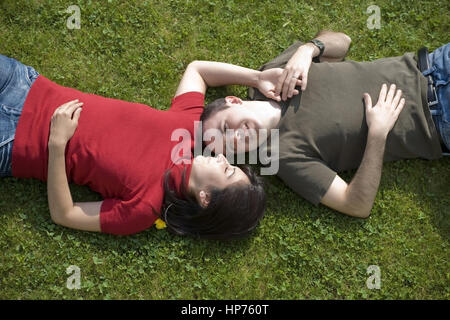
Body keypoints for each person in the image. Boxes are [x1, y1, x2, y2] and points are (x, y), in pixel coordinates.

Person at [0, 54, 281, 239]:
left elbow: (65, 214)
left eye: (228, 171)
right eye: (231, 164)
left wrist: (57, 144)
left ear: (206, 198)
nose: (222, 159)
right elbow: (198, 71)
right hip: (25, 84)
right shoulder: (191, 130)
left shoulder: (142, 210)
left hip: (12, 143)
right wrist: (256, 78)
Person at [200, 30, 449, 218]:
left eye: (225, 128)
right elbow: (356, 205)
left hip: (434, 64)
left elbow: (343, 42)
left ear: (233, 100)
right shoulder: (283, 156)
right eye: (230, 149)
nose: (235, 139)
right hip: (439, 117)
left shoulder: (274, 72)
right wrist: (378, 134)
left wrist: (309, 49)